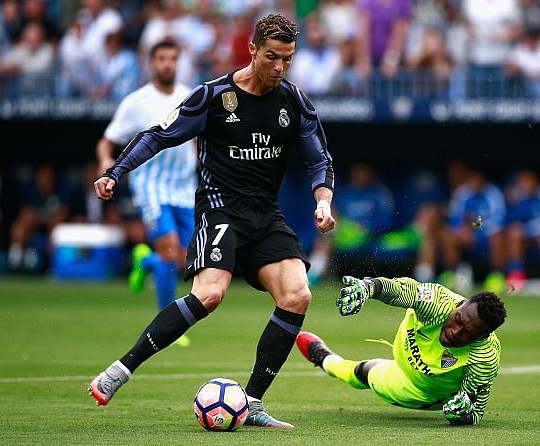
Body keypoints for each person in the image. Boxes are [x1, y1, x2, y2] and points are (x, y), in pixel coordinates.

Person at [90, 13, 336, 429]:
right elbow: (158, 134)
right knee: (210, 294)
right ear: (252, 50)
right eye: (272, 57)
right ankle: (120, 370)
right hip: (220, 211)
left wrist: (323, 202)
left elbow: (320, 160)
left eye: (288, 60)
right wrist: (115, 171)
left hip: (265, 215)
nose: (279, 68)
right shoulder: (214, 96)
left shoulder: (294, 101)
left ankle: (253, 403)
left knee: (297, 295)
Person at [297, 274, 507, 425]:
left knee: (367, 370)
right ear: (461, 304)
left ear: (483, 337)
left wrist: (462, 414)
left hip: (420, 388)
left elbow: (475, 411)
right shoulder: (438, 302)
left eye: (468, 334)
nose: (454, 332)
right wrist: (368, 288)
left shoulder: (484, 357)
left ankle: (326, 360)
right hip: (405, 352)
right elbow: (400, 290)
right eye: (458, 319)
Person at [95, 38, 196, 348]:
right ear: (151, 63)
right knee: (169, 250)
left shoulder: (190, 96)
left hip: (185, 188)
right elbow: (107, 141)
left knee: (187, 260)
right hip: (150, 187)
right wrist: (105, 164)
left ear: (178, 63)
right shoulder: (136, 102)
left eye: (172, 58)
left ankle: (146, 262)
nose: (167, 64)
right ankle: (169, 325)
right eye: (161, 58)